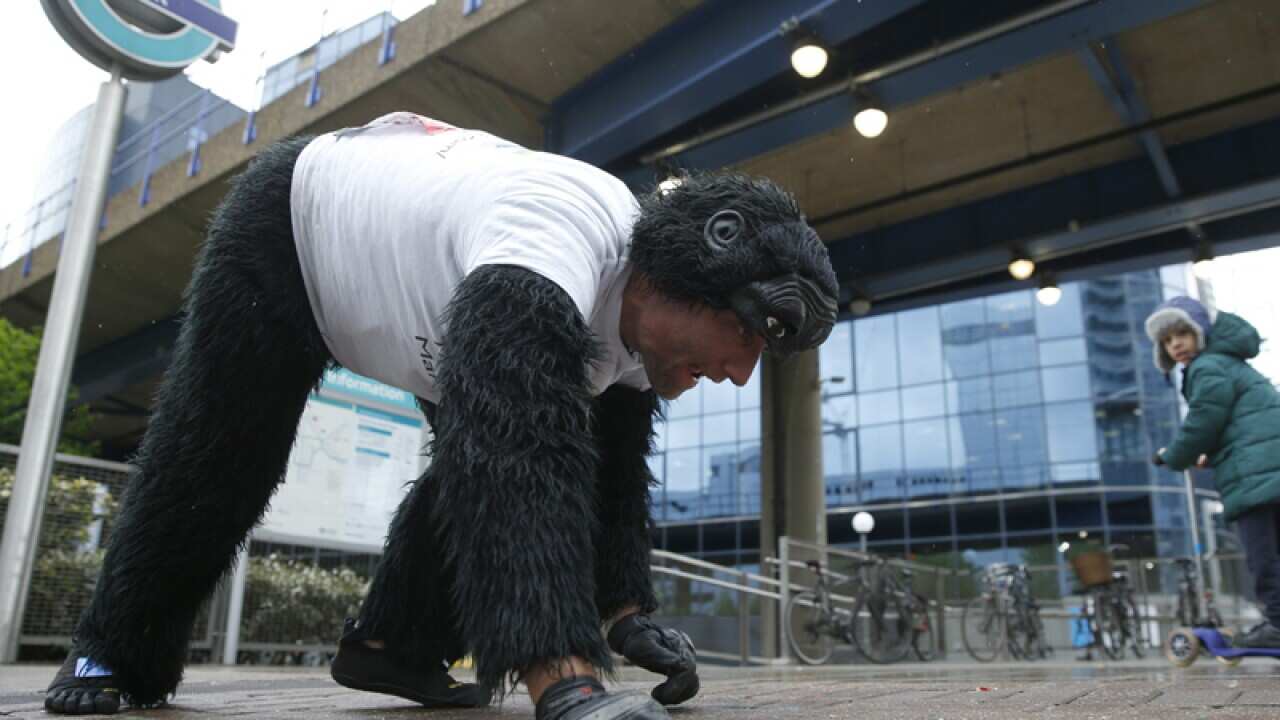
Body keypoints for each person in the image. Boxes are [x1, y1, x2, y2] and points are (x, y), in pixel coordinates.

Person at [42, 112, 838, 718]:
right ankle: (109, 653)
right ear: (692, 264)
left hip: (430, 301)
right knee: (219, 456)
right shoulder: (555, 239)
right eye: (743, 334)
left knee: (525, 443)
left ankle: (395, 646)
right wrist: (564, 678)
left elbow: (606, 485)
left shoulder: (631, 341)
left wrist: (625, 614)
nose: (737, 373)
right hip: (296, 231)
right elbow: (517, 464)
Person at [1147, 295, 1280, 648]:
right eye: (1167, 340)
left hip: (1256, 477)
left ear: (1201, 333)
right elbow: (1239, 422)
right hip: (1268, 466)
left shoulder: (1207, 366)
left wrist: (1174, 455)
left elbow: (1205, 418)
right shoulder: (1229, 363)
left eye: (1182, 334)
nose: (1175, 345)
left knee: (1263, 556)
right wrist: (1212, 454)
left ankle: (1278, 625)